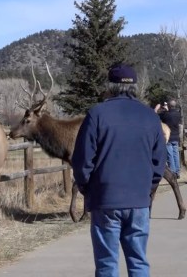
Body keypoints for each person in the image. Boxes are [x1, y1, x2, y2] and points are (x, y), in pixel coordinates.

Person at [71, 63, 166, 277]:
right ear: (134, 86)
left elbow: (82, 160)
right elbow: (159, 161)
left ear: (109, 86)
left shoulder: (97, 114)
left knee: (106, 265)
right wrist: (148, 188)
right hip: (139, 201)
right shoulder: (150, 117)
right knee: (139, 262)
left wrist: (89, 189)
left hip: (105, 200)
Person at [155, 99, 182, 179]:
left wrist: (159, 109)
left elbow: (157, 115)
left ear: (169, 106)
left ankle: (173, 172)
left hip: (168, 137)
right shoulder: (178, 114)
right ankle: (177, 172)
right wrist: (167, 109)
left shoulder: (166, 115)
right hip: (176, 137)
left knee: (170, 155)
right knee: (176, 155)